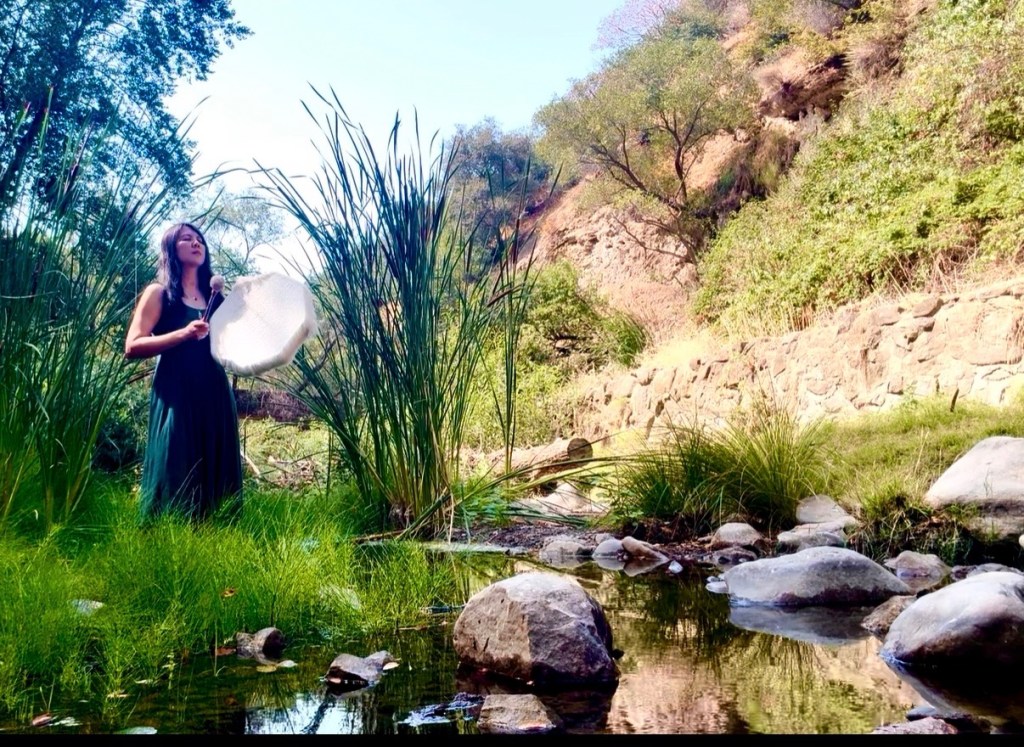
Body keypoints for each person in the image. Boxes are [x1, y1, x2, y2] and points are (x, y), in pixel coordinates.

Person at [124, 222, 242, 522]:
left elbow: (233, 349)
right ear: (170, 249)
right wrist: (183, 334)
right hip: (176, 391)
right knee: (173, 462)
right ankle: (165, 538)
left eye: (199, 239)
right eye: (186, 239)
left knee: (216, 465)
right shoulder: (159, 293)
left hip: (215, 392)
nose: (196, 243)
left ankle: (217, 539)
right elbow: (133, 346)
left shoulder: (217, 299)